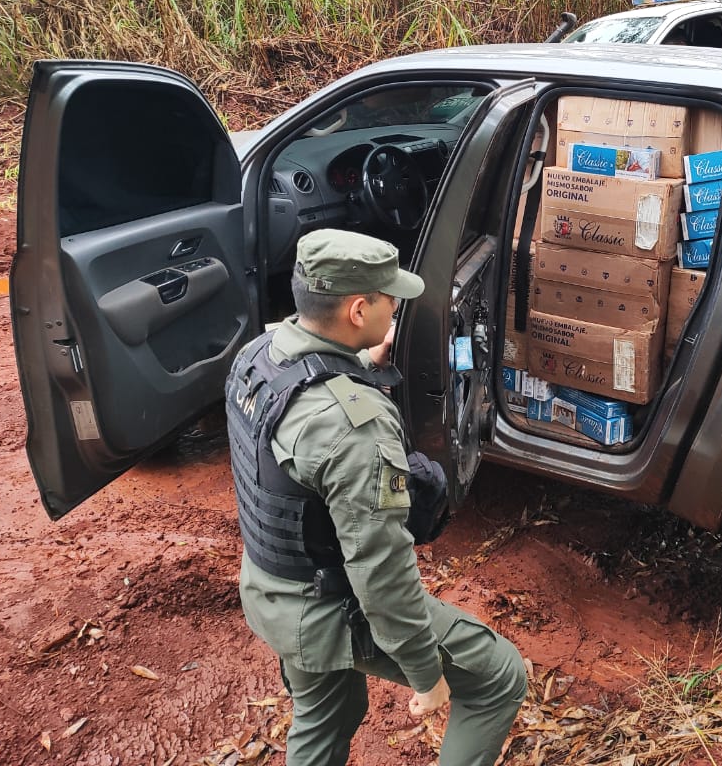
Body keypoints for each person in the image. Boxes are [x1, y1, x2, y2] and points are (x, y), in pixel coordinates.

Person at [226, 229, 527, 766]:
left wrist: (357, 362)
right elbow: (382, 574)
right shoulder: (354, 430)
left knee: (326, 717)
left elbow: (297, 446)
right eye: (392, 300)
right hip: (327, 608)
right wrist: (425, 673)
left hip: (273, 588)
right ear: (358, 309)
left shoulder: (258, 356)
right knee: (496, 676)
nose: (398, 307)